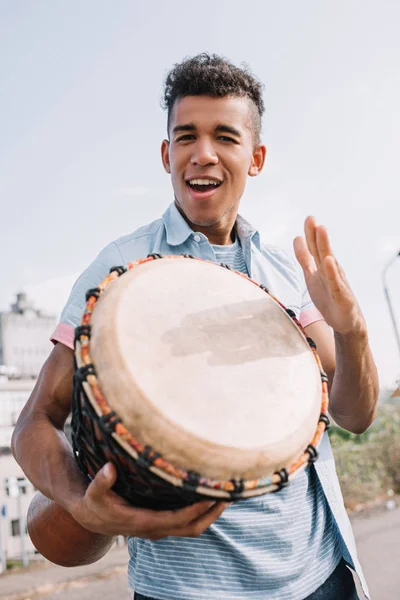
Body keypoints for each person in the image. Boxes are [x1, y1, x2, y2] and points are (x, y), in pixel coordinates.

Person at [12, 53, 378, 600]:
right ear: (167, 153)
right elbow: (35, 420)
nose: (202, 154)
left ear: (254, 157)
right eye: (186, 137)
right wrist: (77, 500)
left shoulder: (286, 273)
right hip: (185, 590)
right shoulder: (118, 269)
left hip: (320, 577)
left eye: (224, 137)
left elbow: (353, 413)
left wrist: (352, 331)